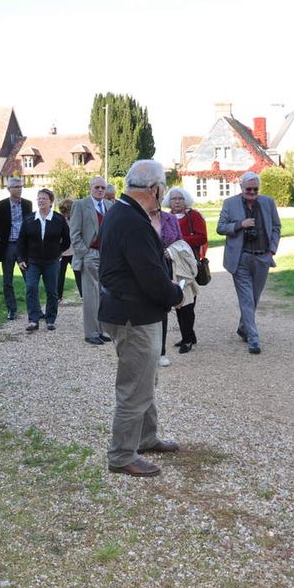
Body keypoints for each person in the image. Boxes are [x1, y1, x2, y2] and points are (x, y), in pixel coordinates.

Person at [100, 160, 184, 477]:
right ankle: (121, 455)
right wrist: (174, 294)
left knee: (146, 379)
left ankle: (146, 438)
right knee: (135, 387)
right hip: (132, 315)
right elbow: (149, 276)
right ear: (154, 189)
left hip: (131, 312)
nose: (162, 194)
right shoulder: (132, 220)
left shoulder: (122, 212)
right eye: (162, 188)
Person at [217, 171, 281, 355]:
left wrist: (272, 250)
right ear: (241, 188)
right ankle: (253, 338)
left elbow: (276, 226)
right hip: (241, 257)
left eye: (255, 189)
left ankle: (243, 327)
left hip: (263, 257)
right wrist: (239, 225)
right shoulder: (230, 203)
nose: (252, 192)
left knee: (254, 298)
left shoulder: (268, 202)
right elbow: (220, 227)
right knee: (246, 298)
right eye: (248, 189)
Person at [17, 189, 71, 331]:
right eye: (39, 198)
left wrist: (58, 252)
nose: (41, 201)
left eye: (44, 198)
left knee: (52, 291)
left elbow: (66, 240)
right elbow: (21, 241)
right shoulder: (29, 219)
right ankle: (33, 319)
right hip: (32, 261)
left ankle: (50, 319)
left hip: (51, 261)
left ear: (51, 202)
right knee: (31, 288)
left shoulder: (59, 219)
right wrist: (21, 258)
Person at [70, 176, 112, 345]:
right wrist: (85, 253)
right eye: (97, 187)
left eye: (103, 188)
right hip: (90, 254)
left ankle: (101, 330)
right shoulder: (80, 205)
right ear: (90, 188)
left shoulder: (109, 206)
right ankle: (91, 332)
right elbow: (74, 234)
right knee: (91, 295)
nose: (100, 190)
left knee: (104, 295)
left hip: (107, 256)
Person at [167, 186, 207, 354]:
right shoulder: (166, 217)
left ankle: (188, 338)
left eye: (180, 198)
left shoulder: (194, 216)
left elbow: (202, 237)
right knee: (178, 301)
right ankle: (188, 335)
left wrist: (180, 243)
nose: (177, 202)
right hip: (172, 265)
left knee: (188, 303)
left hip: (189, 265)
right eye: (174, 199)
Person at [0, 177, 32, 320]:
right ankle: (12, 309)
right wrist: (1, 238)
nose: (19, 189)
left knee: (29, 278)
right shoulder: (1, 205)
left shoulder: (27, 204)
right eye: (16, 187)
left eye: (21, 186)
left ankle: (33, 309)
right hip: (8, 246)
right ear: (9, 189)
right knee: (7, 280)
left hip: (23, 247)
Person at [150, 198, 182, 367]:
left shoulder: (170, 219)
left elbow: (180, 242)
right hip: (146, 266)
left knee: (164, 307)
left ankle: (161, 351)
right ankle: (148, 350)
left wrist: (171, 252)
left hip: (167, 266)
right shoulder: (139, 219)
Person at [57, 198, 80, 300]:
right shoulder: (59, 220)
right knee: (60, 275)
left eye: (68, 212)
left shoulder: (77, 219)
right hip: (62, 252)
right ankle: (58, 296)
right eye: (65, 212)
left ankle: (83, 295)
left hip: (74, 251)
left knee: (78, 273)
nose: (67, 214)